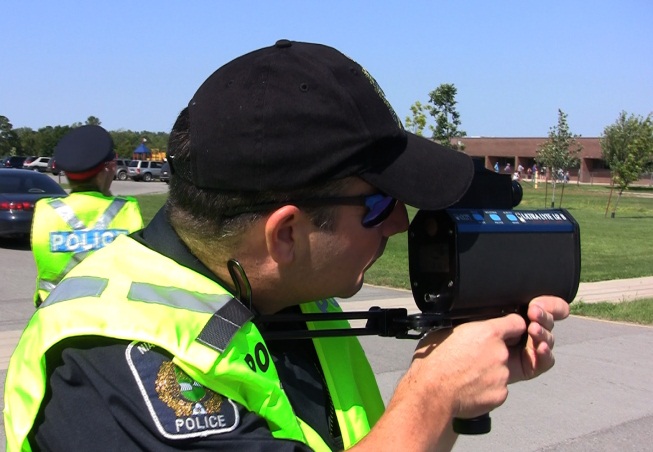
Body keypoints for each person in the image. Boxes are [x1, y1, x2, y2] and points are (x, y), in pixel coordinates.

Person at [5, 40, 569, 451]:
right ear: (287, 234)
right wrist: (433, 394)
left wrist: (455, 372)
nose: (400, 223)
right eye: (379, 204)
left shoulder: (283, 294)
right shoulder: (113, 371)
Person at [30, 125, 143, 307]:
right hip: (109, 321)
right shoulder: (127, 210)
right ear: (110, 167)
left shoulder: (46, 211)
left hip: (54, 320)